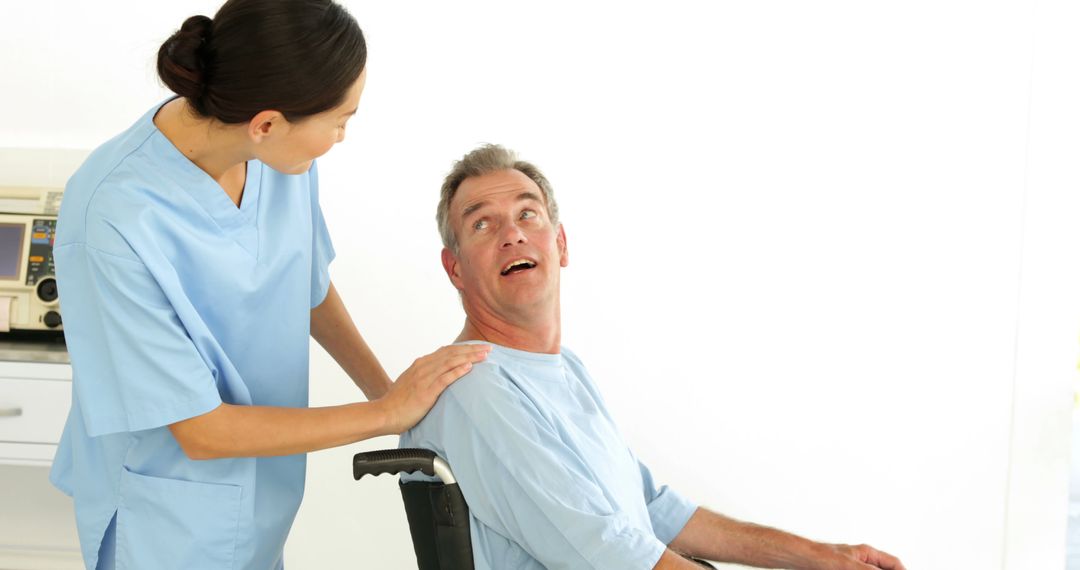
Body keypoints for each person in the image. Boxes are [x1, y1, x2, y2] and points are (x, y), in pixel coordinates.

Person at [49, 1, 490, 569]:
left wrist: (390, 397)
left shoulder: (279, 160)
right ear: (266, 124)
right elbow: (201, 431)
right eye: (340, 121)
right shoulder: (111, 219)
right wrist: (387, 415)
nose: (341, 135)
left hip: (259, 500)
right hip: (166, 518)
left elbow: (303, 283)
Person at [400, 144, 906, 570]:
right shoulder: (472, 388)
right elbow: (603, 549)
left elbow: (651, 508)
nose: (512, 233)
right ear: (455, 269)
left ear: (561, 243)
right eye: (483, 225)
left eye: (527, 214)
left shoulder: (564, 370)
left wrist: (822, 555)